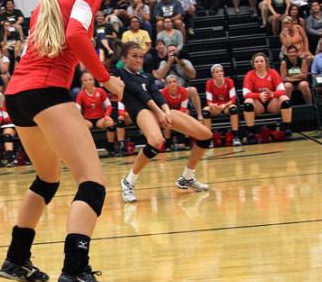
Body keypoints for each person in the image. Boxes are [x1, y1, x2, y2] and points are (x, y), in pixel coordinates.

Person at [0, 0, 125, 282]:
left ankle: (17, 258)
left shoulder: (46, 2)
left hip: (18, 95)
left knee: (47, 178)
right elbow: (75, 36)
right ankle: (75, 271)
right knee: (92, 182)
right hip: (46, 92)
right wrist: (105, 77)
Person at [116, 42, 212, 203]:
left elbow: (156, 93)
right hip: (141, 111)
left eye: (141, 56)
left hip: (158, 110)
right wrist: (160, 113)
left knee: (205, 135)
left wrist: (166, 112)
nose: (138, 60)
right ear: (125, 58)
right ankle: (128, 181)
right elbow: (141, 94)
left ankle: (187, 177)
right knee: (156, 141)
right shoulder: (121, 74)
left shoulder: (146, 76)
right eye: (134, 56)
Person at [242, 52, 292, 139]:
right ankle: (250, 132)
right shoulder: (249, 75)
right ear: (253, 64)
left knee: (285, 99)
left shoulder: (273, 73)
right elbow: (246, 94)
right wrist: (259, 95)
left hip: (272, 104)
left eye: (261, 61)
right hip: (258, 105)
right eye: (256, 62)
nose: (259, 63)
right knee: (248, 102)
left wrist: (272, 94)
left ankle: (286, 129)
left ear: (266, 63)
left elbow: (282, 91)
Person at [203, 64, 240, 144]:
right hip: (216, 107)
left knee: (233, 108)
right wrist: (213, 105)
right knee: (206, 110)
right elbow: (208, 101)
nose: (220, 73)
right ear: (213, 75)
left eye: (221, 71)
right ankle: (209, 139)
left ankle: (235, 136)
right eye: (217, 72)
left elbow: (233, 99)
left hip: (227, 105)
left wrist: (225, 105)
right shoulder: (209, 83)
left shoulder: (229, 81)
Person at [75, 71, 115, 147]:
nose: (88, 82)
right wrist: (81, 119)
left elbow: (109, 106)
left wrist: (106, 116)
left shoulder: (101, 91)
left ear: (93, 80)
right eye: (85, 80)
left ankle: (111, 147)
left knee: (110, 123)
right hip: (88, 120)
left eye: (90, 79)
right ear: (82, 82)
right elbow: (77, 109)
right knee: (81, 125)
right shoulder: (81, 94)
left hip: (100, 119)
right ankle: (87, 147)